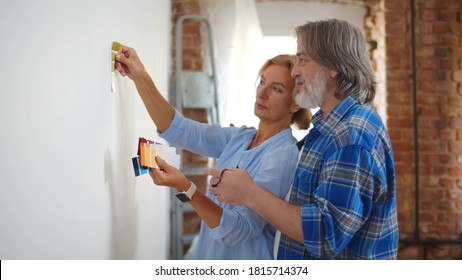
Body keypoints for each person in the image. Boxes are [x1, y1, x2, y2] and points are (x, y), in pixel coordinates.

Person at [206, 19, 399, 260]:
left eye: (303, 60)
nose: (295, 71)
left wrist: (250, 193)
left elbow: (324, 234)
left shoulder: (351, 137)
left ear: (333, 66)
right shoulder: (328, 126)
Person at [115, 49, 311, 259]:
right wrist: (140, 76)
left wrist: (185, 187)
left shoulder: (283, 155)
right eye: (262, 82)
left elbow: (239, 228)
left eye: (277, 89)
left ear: (295, 103)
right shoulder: (241, 137)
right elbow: (182, 130)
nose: (262, 93)